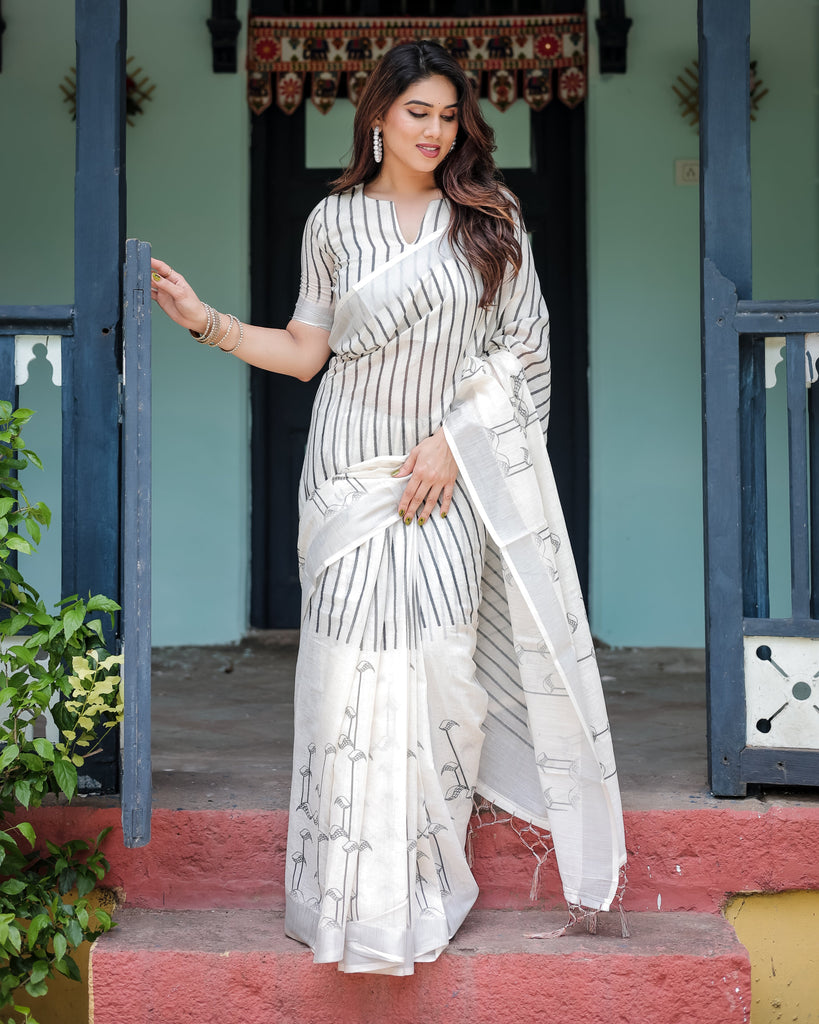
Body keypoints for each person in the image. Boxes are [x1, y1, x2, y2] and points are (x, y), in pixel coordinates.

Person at [151, 39, 626, 976]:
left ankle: (420, 892)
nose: (435, 132)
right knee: (347, 681)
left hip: (448, 475)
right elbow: (303, 351)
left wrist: (457, 445)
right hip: (344, 478)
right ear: (377, 115)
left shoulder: (491, 219)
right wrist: (205, 321)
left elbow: (526, 357)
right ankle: (343, 903)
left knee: (444, 676)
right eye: (418, 113)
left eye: (449, 116)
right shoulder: (332, 223)